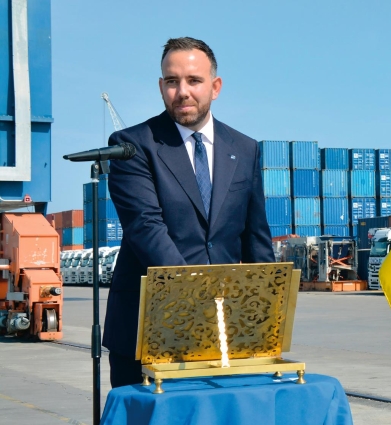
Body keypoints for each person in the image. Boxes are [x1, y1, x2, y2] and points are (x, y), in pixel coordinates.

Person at [103, 37, 274, 387]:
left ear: (216, 86)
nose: (182, 91)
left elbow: (256, 237)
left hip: (228, 330)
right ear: (161, 86)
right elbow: (145, 227)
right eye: (172, 81)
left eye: (194, 81)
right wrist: (200, 300)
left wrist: (266, 318)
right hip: (147, 326)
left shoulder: (244, 148)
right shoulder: (132, 145)